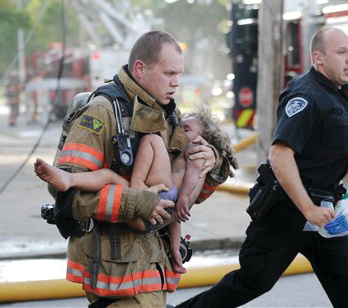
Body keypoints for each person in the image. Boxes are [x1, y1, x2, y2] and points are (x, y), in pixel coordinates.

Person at [174, 27, 348, 308]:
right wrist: (309, 209)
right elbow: (280, 156)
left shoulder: (344, 93)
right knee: (252, 282)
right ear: (318, 58)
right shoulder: (306, 95)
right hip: (286, 213)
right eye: (341, 52)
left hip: (326, 212)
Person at [51, 31, 234, 307]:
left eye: (179, 74)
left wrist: (210, 165)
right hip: (115, 273)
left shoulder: (168, 115)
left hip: (151, 268)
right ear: (140, 68)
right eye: (169, 73)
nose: (176, 83)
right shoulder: (101, 113)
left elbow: (184, 200)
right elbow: (69, 195)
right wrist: (138, 202)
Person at [35, 105, 238, 274]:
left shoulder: (198, 152)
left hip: (162, 196)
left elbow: (193, 174)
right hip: (155, 216)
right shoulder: (185, 154)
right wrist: (176, 248)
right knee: (109, 176)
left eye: (187, 129)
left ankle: (136, 187)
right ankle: (69, 179)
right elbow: (174, 218)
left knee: (153, 140)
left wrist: (183, 196)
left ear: (204, 140)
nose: (181, 132)